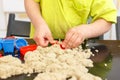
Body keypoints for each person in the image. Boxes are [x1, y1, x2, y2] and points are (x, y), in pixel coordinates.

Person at [24, 0, 117, 49]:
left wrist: (85, 30)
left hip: (76, 49)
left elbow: (106, 19)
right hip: (40, 45)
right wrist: (40, 24)